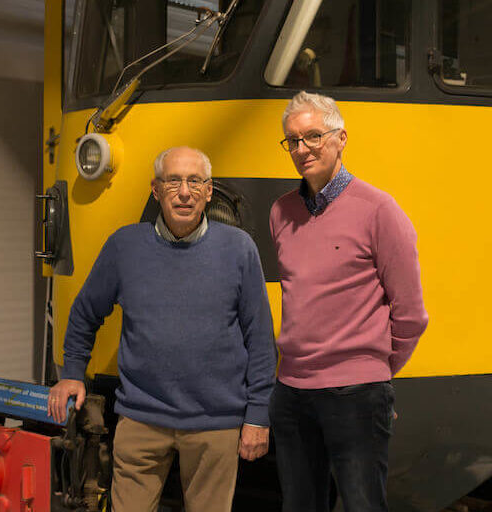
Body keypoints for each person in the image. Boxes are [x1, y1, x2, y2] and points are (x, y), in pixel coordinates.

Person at [47, 146, 276, 512]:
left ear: (208, 191)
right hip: (141, 418)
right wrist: (72, 372)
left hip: (215, 423)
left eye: (194, 181)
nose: (184, 192)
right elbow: (86, 312)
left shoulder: (239, 250)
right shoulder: (125, 246)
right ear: (156, 190)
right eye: (173, 181)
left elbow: (261, 339)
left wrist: (258, 414)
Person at [268, 91, 429, 512]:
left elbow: (410, 315)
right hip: (291, 392)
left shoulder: (379, 210)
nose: (302, 149)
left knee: (363, 506)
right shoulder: (280, 212)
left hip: (356, 394)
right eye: (293, 141)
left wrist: (374, 375)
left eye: (313, 137)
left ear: (341, 139)